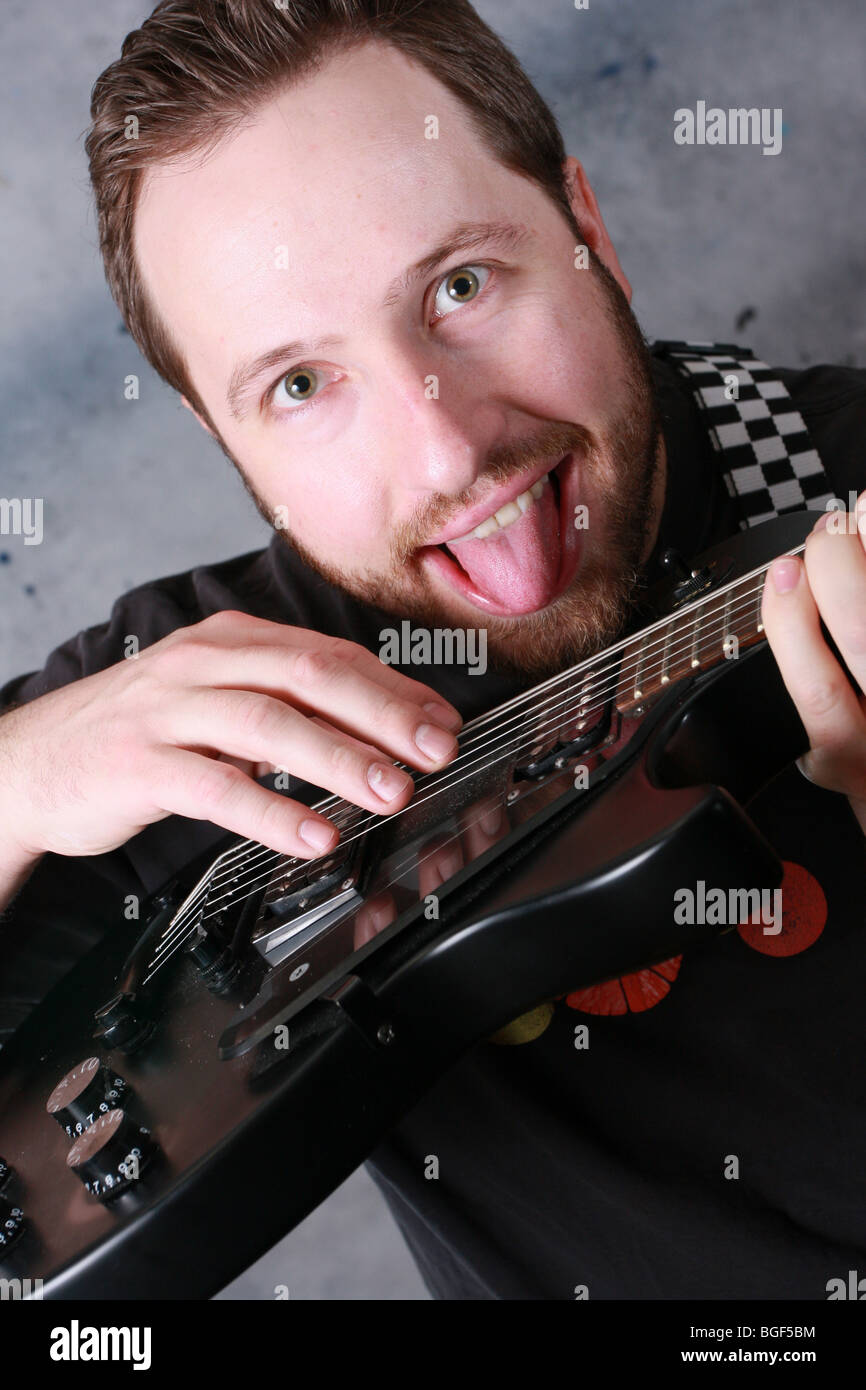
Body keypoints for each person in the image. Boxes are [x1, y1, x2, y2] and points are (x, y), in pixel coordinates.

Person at [1, 0, 864, 1299]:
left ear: (587, 229)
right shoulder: (185, 707)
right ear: (214, 432)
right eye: (299, 383)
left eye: (459, 285)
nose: (448, 448)